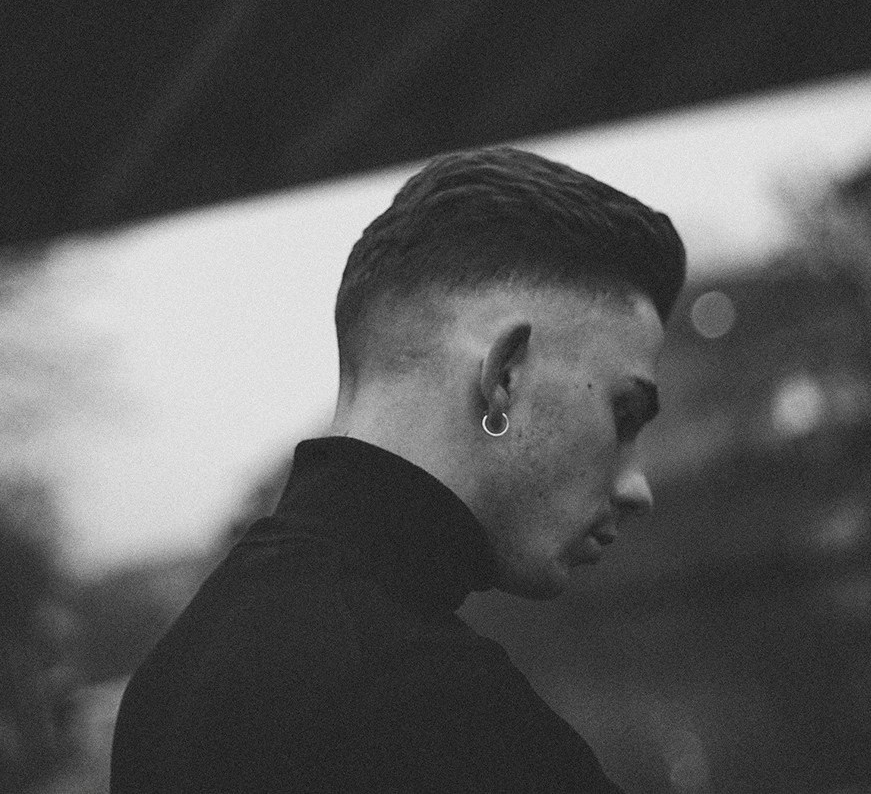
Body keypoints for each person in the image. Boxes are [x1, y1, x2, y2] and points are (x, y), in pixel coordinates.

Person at [110, 146, 686, 793]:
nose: (637, 488)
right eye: (625, 414)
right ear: (504, 377)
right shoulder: (438, 710)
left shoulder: (174, 675)